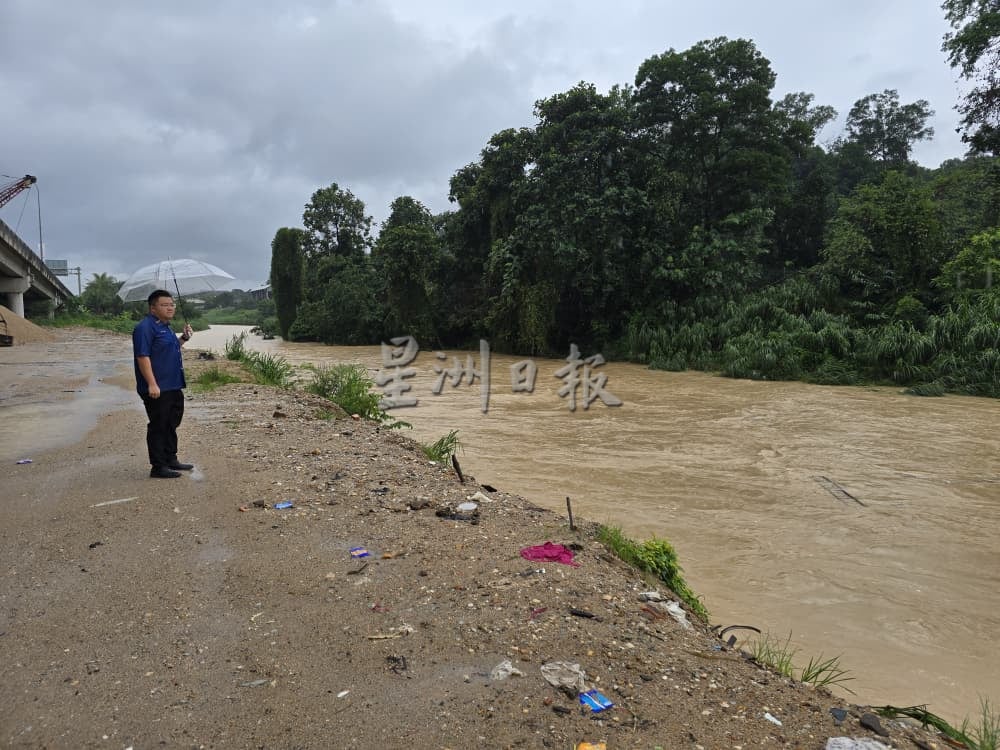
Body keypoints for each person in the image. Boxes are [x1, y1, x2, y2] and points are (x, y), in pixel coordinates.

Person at [132, 290, 194, 478]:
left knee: (171, 422)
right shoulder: (144, 328)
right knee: (159, 424)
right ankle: (158, 466)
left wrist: (183, 338)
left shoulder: (165, 326)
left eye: (172, 304)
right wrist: (152, 383)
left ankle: (170, 458)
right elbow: (143, 356)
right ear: (153, 308)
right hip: (157, 387)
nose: (170, 308)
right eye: (164, 305)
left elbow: (171, 347)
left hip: (173, 384)